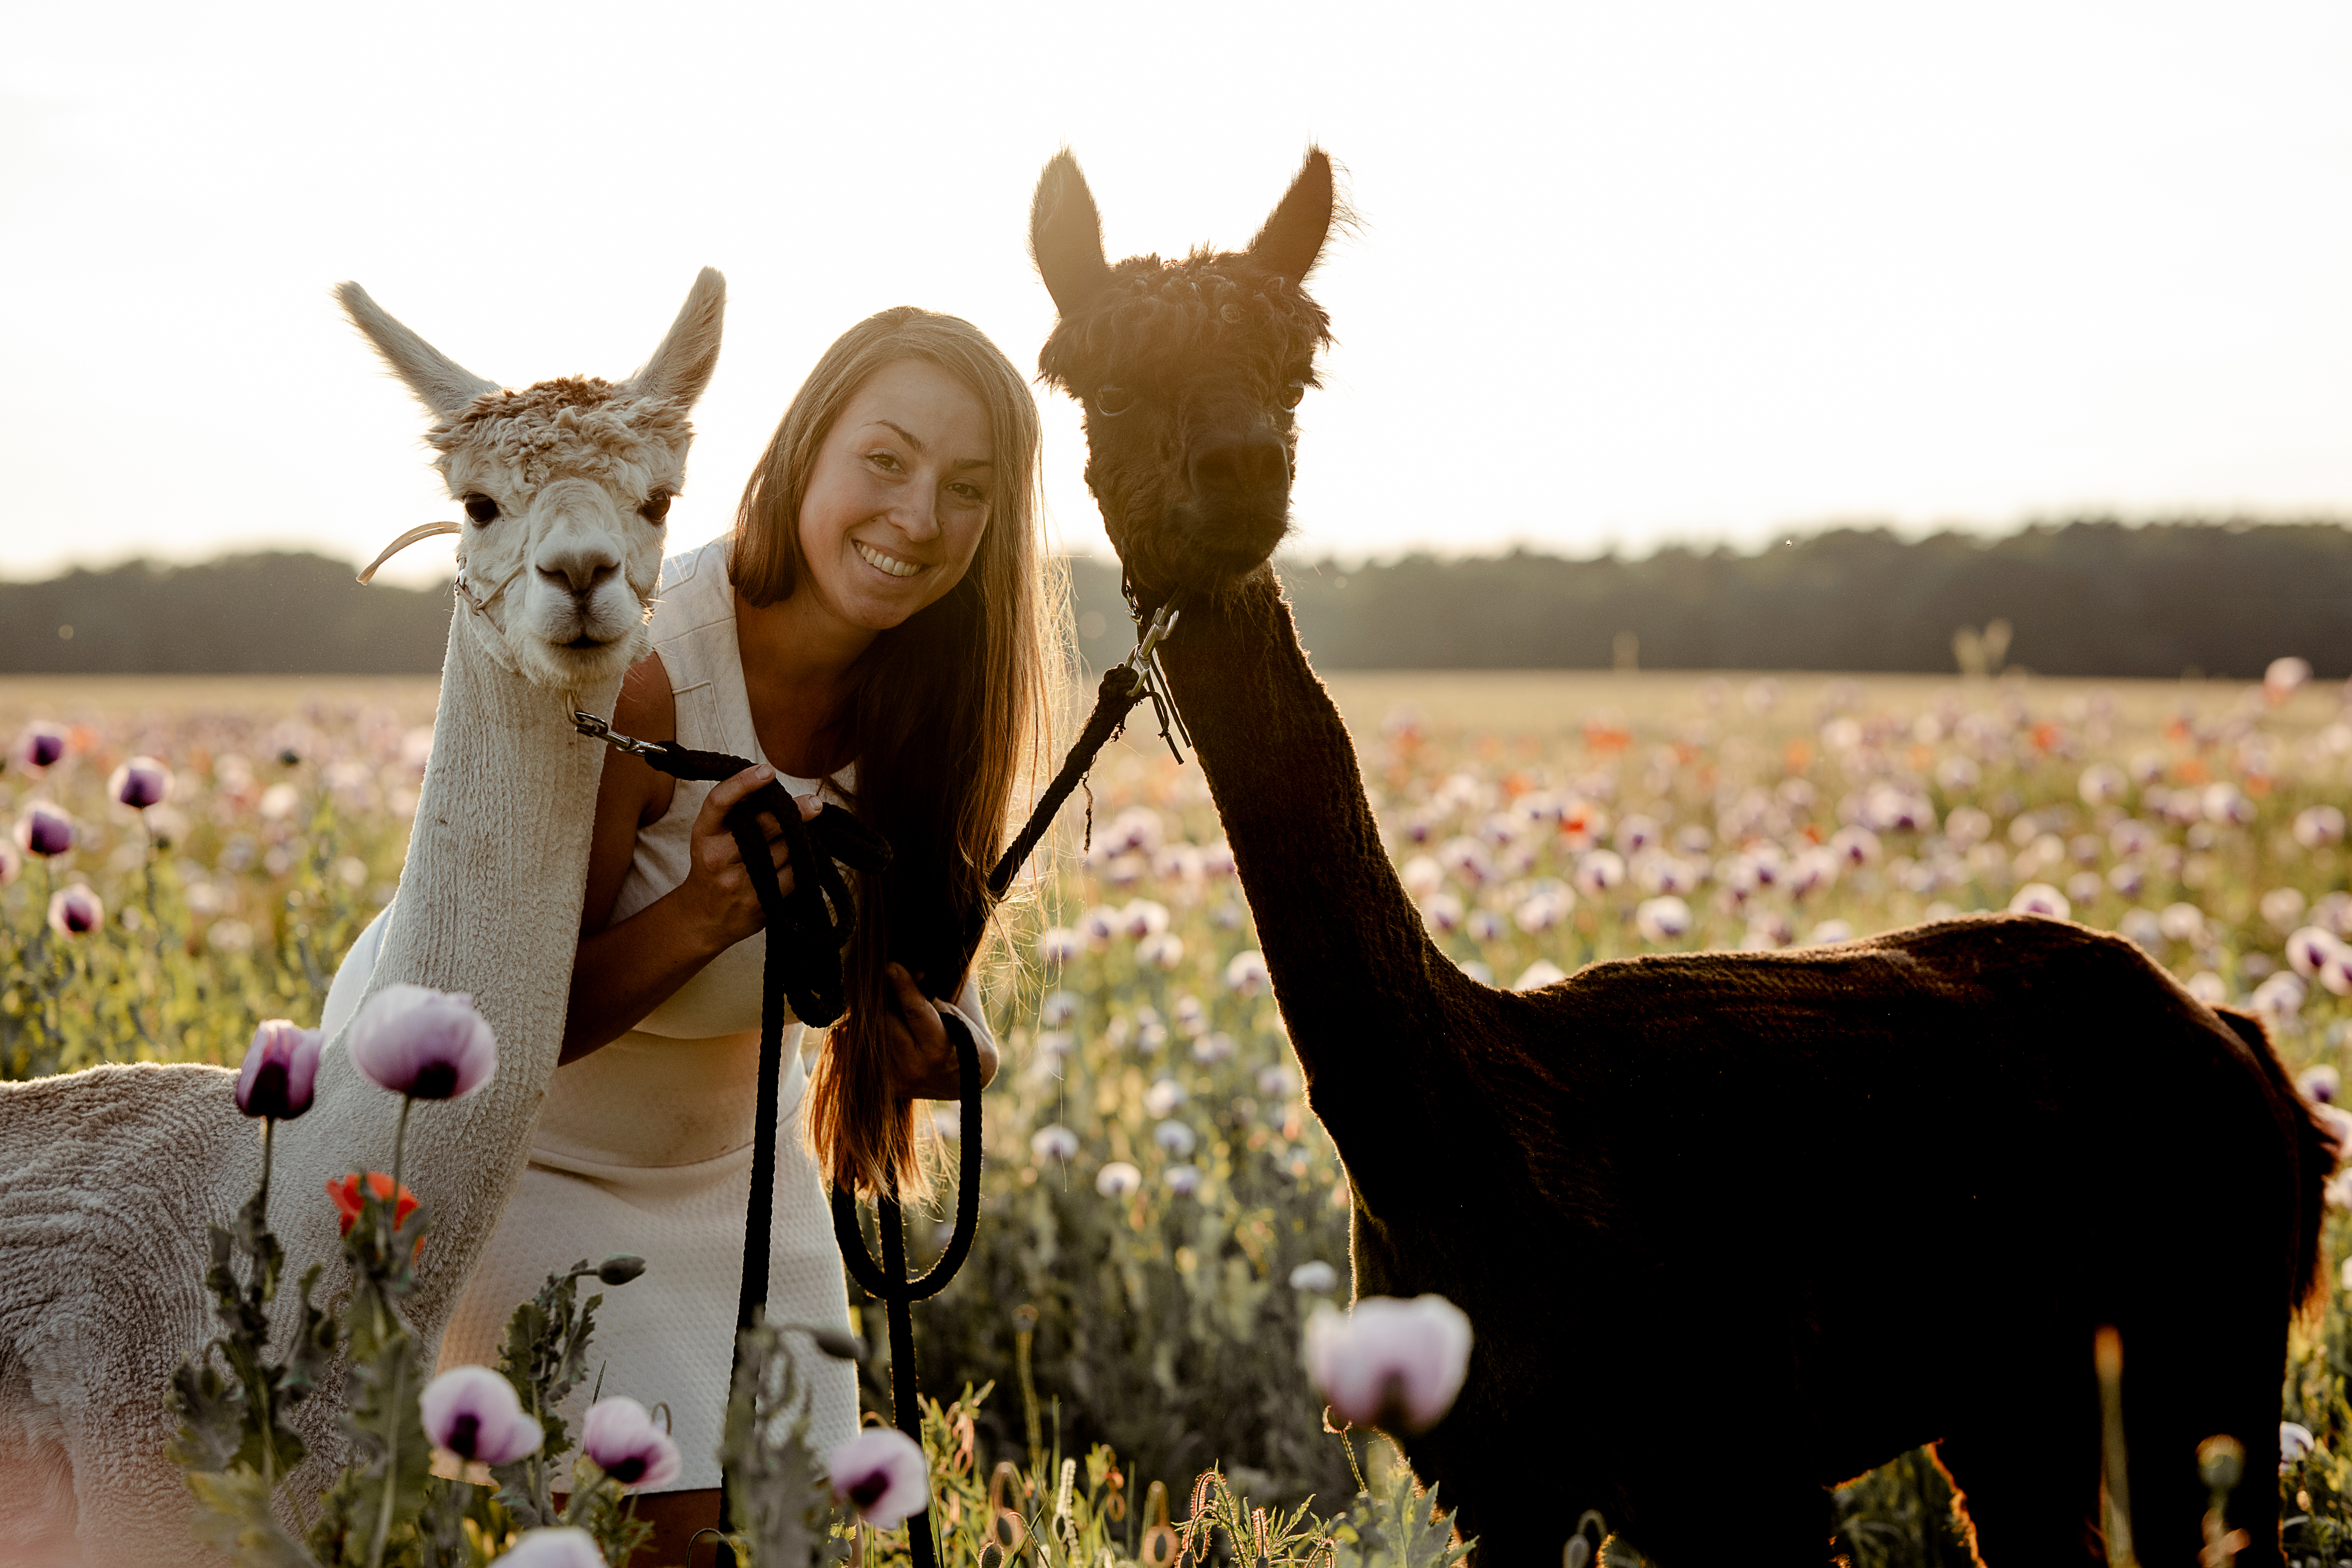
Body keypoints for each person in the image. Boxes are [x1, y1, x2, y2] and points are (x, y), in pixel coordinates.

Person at [322, 306, 1063, 1556]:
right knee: (655, 1535)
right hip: (523, 1157)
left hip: (738, 1165)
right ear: (804, 455)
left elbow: (957, 1015)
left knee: (803, 1536)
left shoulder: (941, 703)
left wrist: (943, 1050)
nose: (920, 518)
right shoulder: (646, 666)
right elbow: (501, 1022)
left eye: (968, 489)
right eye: (886, 462)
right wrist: (701, 915)